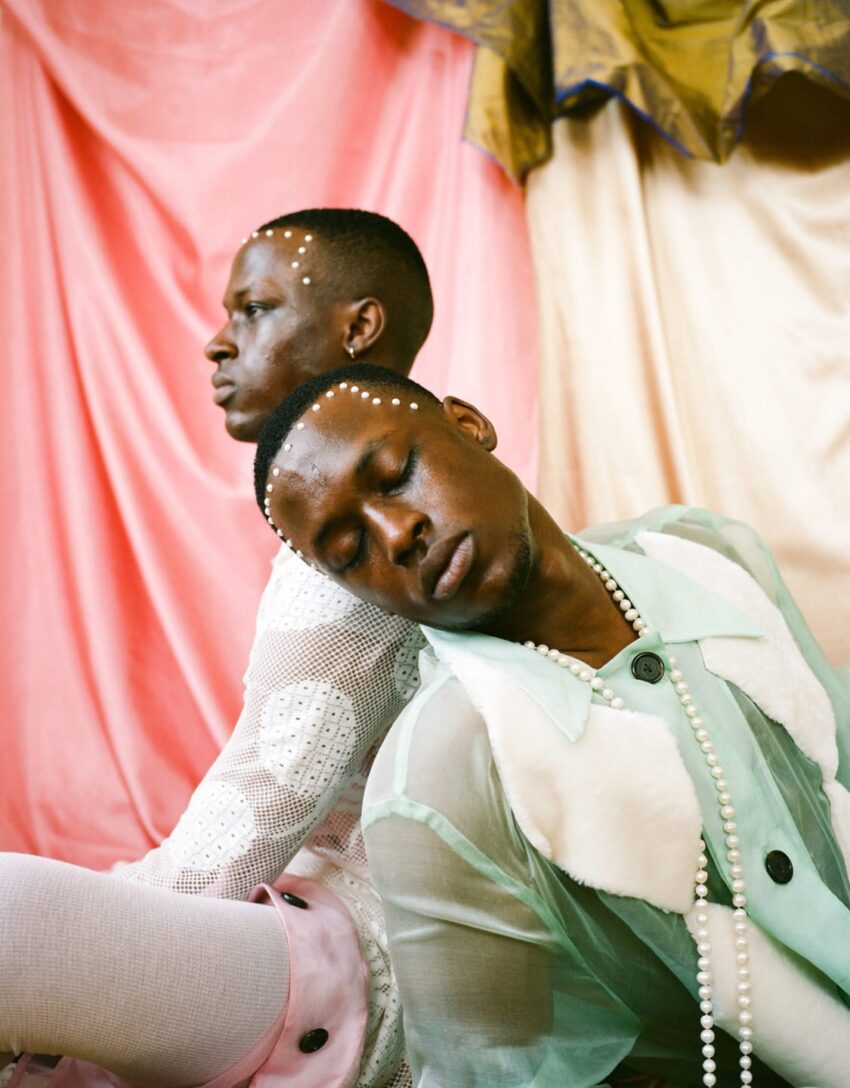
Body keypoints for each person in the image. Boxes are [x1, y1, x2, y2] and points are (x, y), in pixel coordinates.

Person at [252, 361, 850, 1088]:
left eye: (397, 474)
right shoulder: (438, 781)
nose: (399, 532)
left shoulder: (707, 554)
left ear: (470, 424)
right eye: (350, 551)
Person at [0, 211, 431, 1088]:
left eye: (255, 309)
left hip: (365, 966)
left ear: (358, 328)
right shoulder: (411, 492)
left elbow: (240, 839)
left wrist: (76, 971)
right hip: (302, 919)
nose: (215, 343)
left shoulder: (379, 534)